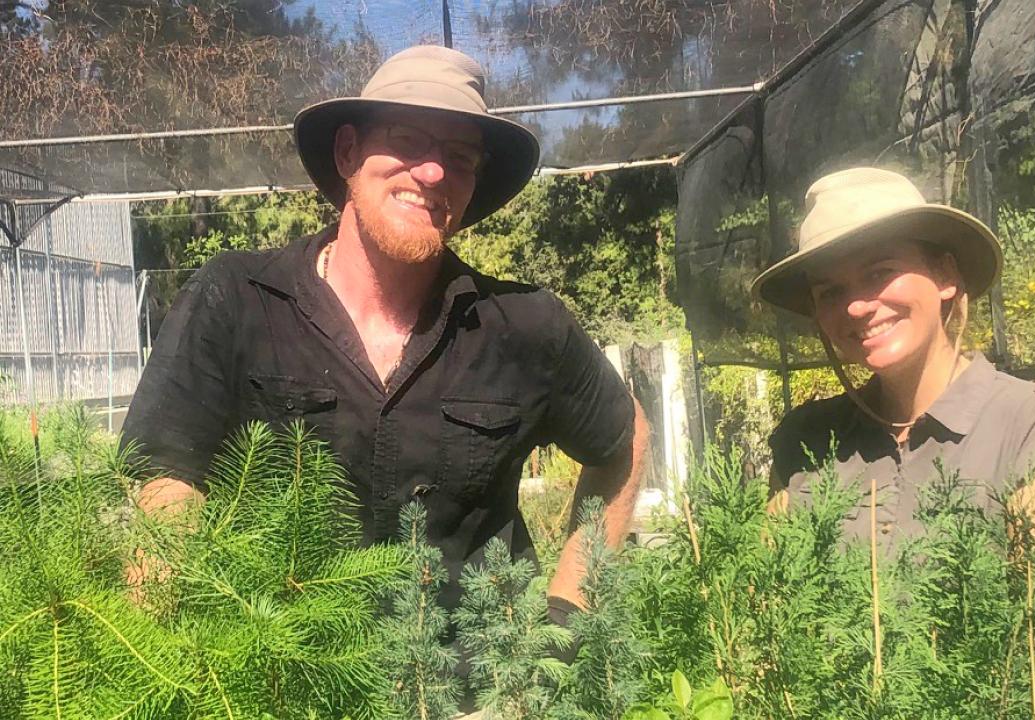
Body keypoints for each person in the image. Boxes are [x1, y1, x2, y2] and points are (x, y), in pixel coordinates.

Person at [121, 45, 649, 619]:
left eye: (460, 157)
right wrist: (184, 655)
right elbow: (165, 477)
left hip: (478, 699)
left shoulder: (523, 324)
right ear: (348, 152)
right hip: (283, 685)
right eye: (406, 140)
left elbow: (625, 440)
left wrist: (567, 615)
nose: (432, 172)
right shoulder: (237, 300)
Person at [752, 167, 1035, 545]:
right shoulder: (805, 441)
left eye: (879, 274)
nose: (856, 308)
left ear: (945, 275)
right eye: (830, 292)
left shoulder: (1030, 429)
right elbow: (771, 596)